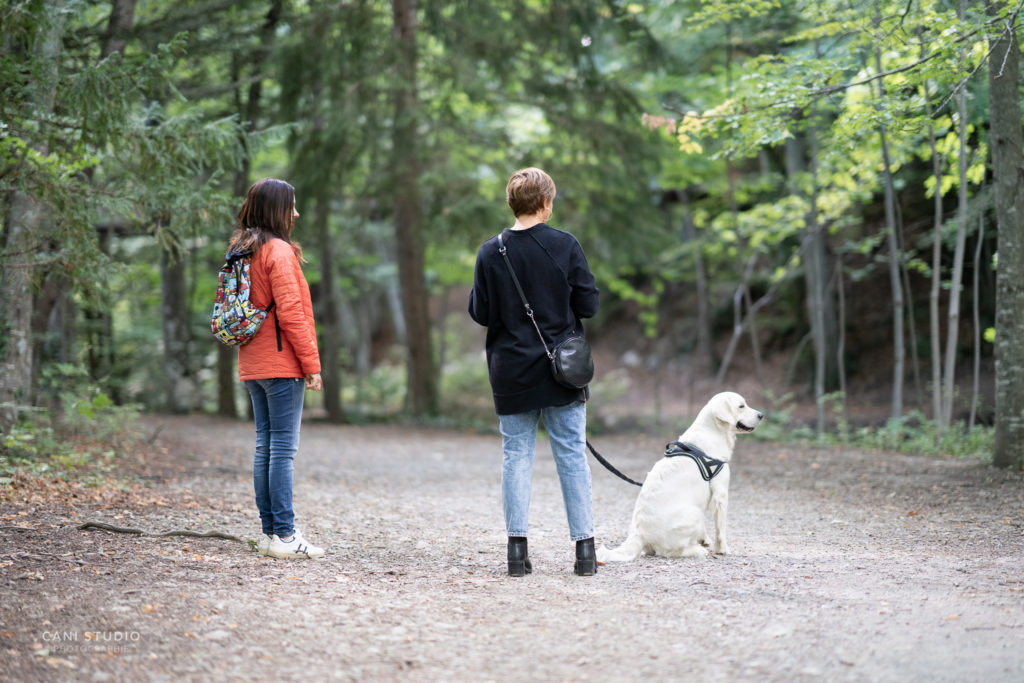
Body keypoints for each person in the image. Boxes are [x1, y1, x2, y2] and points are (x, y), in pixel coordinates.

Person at [468, 167, 600, 577]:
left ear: (511, 203)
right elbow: (589, 305)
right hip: (561, 371)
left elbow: (481, 312)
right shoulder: (565, 245)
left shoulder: (491, 251)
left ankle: (516, 552)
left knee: (516, 457)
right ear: (545, 203)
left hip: (511, 371)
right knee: (572, 456)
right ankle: (584, 553)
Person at [227, 178, 325, 560]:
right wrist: (311, 365)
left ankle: (270, 533)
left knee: (265, 446)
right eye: (292, 206)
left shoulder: (242, 249)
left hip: (253, 360)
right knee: (282, 449)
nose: (296, 213)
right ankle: (283, 534)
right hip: (282, 363)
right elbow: (292, 313)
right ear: (276, 210)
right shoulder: (278, 251)